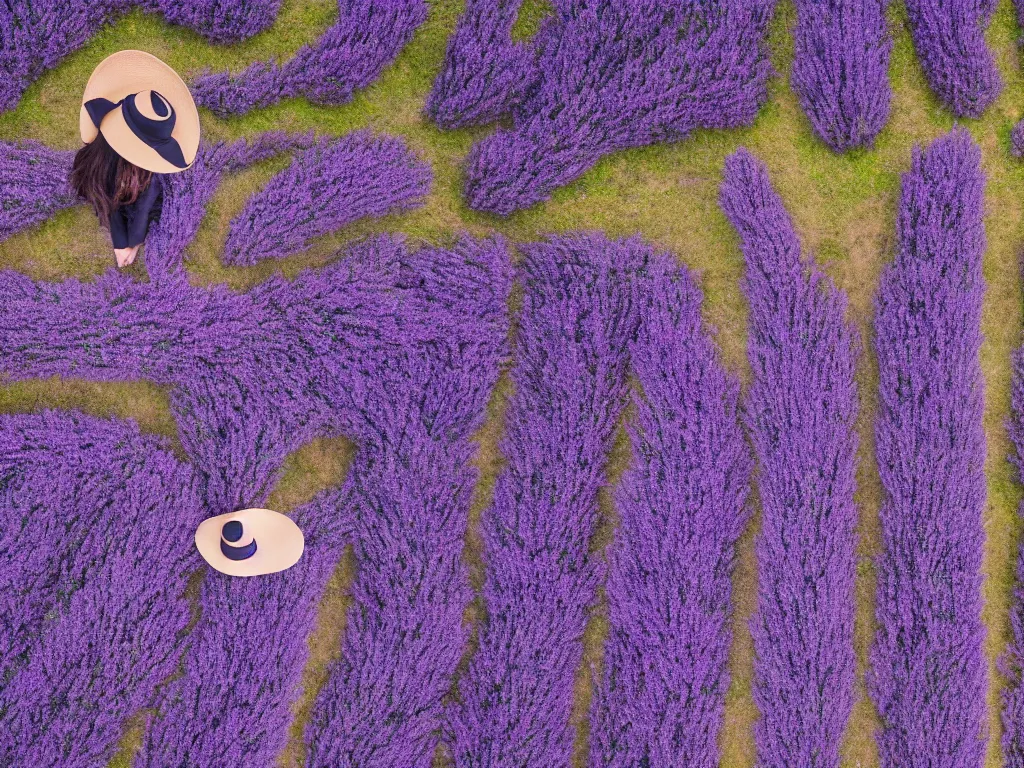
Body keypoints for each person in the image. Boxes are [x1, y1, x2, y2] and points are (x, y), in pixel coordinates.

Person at [70, 50, 200, 269]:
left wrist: (129, 244)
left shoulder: (102, 151)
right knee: (130, 193)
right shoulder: (108, 164)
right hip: (112, 173)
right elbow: (113, 195)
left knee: (139, 195)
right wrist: (127, 244)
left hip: (112, 170)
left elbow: (134, 205)